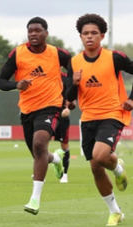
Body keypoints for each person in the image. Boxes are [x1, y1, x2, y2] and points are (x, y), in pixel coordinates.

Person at [0, 17, 69, 215]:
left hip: (51, 107)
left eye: (37, 30)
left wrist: (69, 96)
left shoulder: (57, 53)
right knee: (39, 153)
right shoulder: (18, 53)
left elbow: (75, 72)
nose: (33, 34)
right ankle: (56, 158)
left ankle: (34, 199)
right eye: (30, 31)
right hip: (27, 110)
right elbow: (1, 81)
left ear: (46, 33)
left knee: (39, 145)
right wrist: (16, 84)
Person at [66, 13, 129, 226]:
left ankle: (118, 168)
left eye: (94, 33)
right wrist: (73, 83)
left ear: (102, 35)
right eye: (85, 33)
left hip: (113, 114)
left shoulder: (114, 57)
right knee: (95, 167)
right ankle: (115, 211)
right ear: (80, 37)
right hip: (88, 118)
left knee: (100, 156)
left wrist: (131, 99)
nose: (89, 37)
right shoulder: (74, 62)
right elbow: (68, 97)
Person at [56, 72, 74, 183]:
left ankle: (65, 174)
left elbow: (71, 95)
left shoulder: (65, 78)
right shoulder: (45, 75)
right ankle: (40, 173)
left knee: (64, 145)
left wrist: (68, 107)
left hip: (62, 114)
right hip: (47, 113)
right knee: (42, 143)